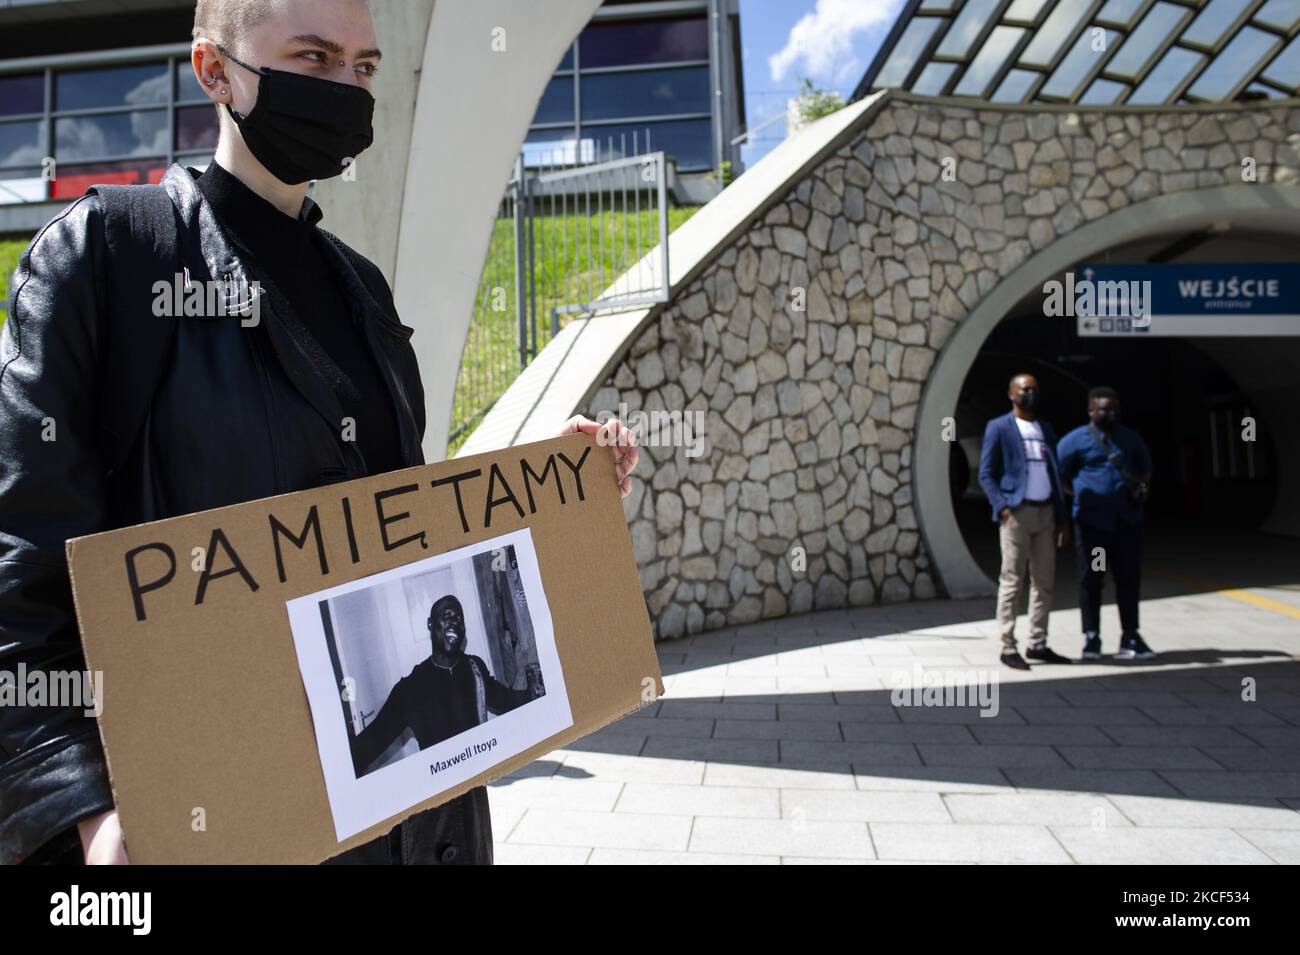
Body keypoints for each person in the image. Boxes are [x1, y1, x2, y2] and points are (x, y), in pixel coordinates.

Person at [0, 0, 638, 866]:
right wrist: (90, 814)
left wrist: (550, 488)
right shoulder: (109, 261)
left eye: (365, 67)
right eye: (313, 57)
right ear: (214, 69)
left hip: (423, 834)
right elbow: (21, 572)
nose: (346, 88)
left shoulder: (364, 291)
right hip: (212, 828)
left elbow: (389, 524)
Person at [350, 595, 537, 776]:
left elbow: (505, 699)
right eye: (447, 617)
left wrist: (534, 692)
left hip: (480, 774)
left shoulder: (475, 668)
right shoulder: (410, 689)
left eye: (459, 619)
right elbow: (369, 744)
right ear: (431, 625)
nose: (454, 623)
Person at [978, 374, 1071, 670]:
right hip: (1017, 513)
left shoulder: (1044, 428)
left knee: (1044, 581)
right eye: (1024, 390)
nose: (1029, 394)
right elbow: (986, 473)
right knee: (1012, 581)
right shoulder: (999, 427)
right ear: (1011, 394)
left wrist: (1061, 517)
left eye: (1034, 390)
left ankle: (1037, 642)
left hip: (1045, 513)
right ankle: (1007, 645)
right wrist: (1002, 507)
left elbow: (1054, 473)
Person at [1056, 386, 1154, 661]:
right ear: (1090, 411)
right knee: (1092, 579)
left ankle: (1130, 634)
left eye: (1113, 409)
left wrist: (1139, 490)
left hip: (1126, 524)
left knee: (1128, 579)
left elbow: (1144, 469)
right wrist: (1079, 493)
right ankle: (1092, 636)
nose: (1108, 413)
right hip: (1093, 527)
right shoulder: (1075, 441)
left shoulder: (1130, 438)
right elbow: (1060, 473)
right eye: (1103, 409)